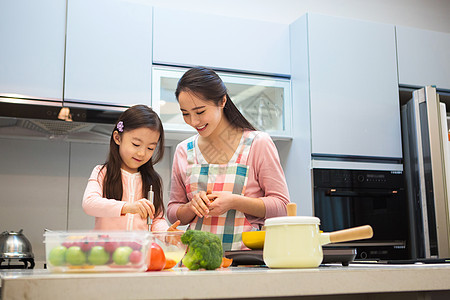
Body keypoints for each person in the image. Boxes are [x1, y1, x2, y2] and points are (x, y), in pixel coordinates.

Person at [167, 67, 290, 251]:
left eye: (200, 112)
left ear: (222, 101)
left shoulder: (257, 143)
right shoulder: (184, 150)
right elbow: (172, 212)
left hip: (248, 264)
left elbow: (282, 207)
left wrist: (234, 201)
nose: (193, 121)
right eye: (185, 113)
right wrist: (191, 207)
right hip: (197, 263)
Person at [83, 104, 179, 231]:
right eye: (136, 144)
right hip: (107, 249)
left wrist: (166, 234)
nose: (142, 153)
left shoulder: (152, 180)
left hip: (139, 249)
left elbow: (155, 219)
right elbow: (89, 203)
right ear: (117, 138)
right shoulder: (102, 172)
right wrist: (127, 207)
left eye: (150, 148)